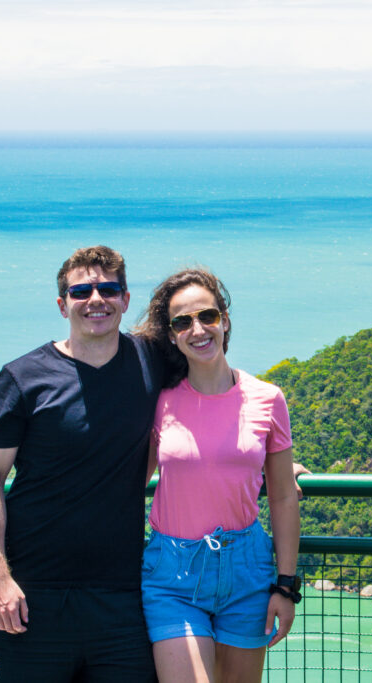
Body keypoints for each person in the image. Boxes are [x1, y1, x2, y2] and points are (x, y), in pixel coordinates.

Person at [0, 247, 305, 683]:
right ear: (62, 303)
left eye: (108, 288)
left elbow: (227, 417)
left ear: (125, 299)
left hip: (124, 596)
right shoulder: (22, 379)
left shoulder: (151, 364)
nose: (96, 299)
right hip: (38, 592)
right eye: (81, 290)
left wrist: (278, 470)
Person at [132, 268, 300, 683]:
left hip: (248, 572)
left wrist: (285, 586)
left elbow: (281, 497)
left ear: (224, 320)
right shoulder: (159, 401)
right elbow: (129, 484)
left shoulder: (268, 399)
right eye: (182, 322)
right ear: (171, 335)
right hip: (173, 575)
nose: (198, 329)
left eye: (207, 316)